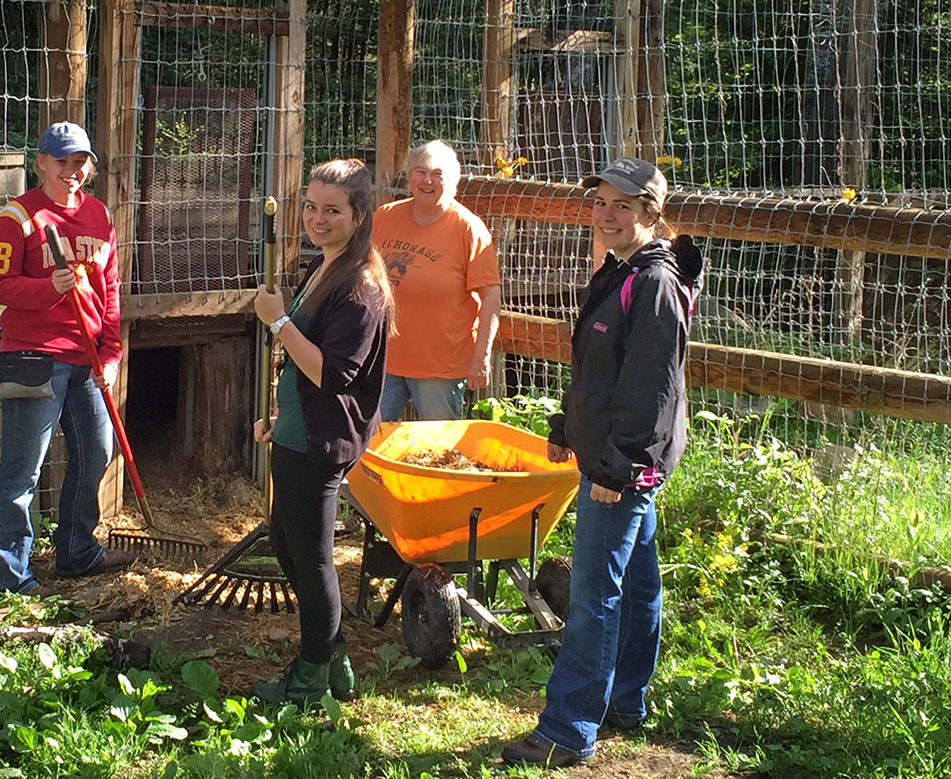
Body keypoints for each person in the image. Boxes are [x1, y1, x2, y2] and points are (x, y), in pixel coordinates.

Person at [502, 157, 702, 768]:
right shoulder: (618, 272)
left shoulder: (654, 285)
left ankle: (566, 729)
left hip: (624, 465)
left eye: (622, 205)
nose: (607, 215)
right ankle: (624, 702)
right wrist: (567, 427)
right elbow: (595, 368)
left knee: (594, 595)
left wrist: (615, 470)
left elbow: (649, 390)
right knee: (638, 583)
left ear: (651, 213)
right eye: (600, 204)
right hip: (613, 453)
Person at [250, 158, 394, 705]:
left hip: (322, 439)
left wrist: (279, 322)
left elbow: (332, 374)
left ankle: (312, 676)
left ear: (359, 216)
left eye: (331, 210)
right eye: (310, 207)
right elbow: (301, 373)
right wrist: (278, 417)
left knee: (310, 559)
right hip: (297, 431)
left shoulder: (360, 287)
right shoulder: (323, 266)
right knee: (286, 543)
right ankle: (331, 660)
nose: (317, 217)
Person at [0, 121, 134, 601]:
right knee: (22, 469)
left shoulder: (99, 217)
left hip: (88, 358)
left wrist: (111, 353)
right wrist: (48, 288)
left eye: (80, 162)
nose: (71, 171)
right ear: (41, 162)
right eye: (62, 161)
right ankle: (11, 579)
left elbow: (109, 292)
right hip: (33, 357)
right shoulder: (17, 218)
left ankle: (76, 551)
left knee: (96, 451)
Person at [372, 140, 501, 420]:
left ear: (453, 181)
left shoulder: (469, 229)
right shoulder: (385, 217)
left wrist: (482, 356)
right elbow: (361, 273)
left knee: (439, 446)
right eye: (420, 172)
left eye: (437, 174)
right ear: (408, 177)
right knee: (367, 440)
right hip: (385, 359)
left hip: (441, 366)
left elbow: (491, 295)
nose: (427, 181)